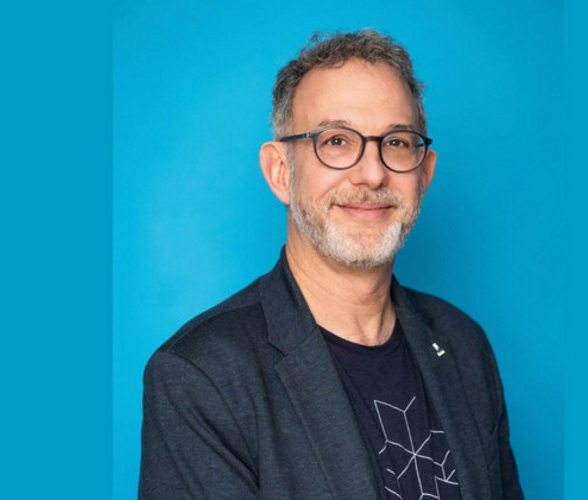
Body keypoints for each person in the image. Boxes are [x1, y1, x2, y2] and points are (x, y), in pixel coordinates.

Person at [139, 30, 524, 500]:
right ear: (280, 172)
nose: (373, 174)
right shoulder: (202, 377)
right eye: (337, 140)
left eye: (396, 142)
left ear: (424, 173)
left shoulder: (464, 344)